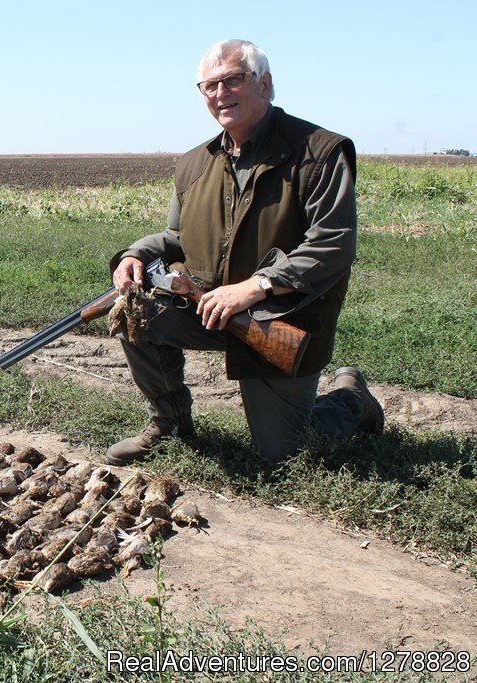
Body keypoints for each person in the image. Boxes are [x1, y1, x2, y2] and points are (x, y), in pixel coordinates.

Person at [105, 39, 384, 465]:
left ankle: (350, 400)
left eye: (233, 80)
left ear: (266, 84)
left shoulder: (319, 152)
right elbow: (177, 235)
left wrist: (256, 287)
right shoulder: (195, 163)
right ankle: (169, 422)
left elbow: (334, 243)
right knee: (134, 313)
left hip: (283, 316)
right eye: (209, 86)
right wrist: (135, 255)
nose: (220, 94)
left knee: (285, 453)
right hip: (210, 308)